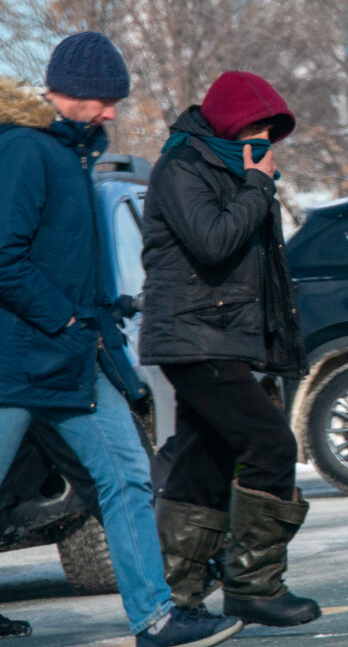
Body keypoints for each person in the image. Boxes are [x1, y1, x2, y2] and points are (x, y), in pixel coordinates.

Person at [0, 35, 242, 647]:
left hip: (73, 364)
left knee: (129, 478)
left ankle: (156, 618)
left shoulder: (73, 156)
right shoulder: (27, 151)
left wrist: (97, 336)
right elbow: (3, 256)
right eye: (105, 100)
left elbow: (79, 269)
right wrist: (64, 320)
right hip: (18, 364)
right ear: (70, 91)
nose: (112, 113)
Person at [141, 71, 320, 628]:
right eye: (259, 132)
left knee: (205, 460)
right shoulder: (183, 168)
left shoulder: (226, 169)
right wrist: (258, 187)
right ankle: (252, 586)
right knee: (269, 445)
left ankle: (179, 595)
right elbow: (214, 242)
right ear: (233, 126)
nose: (265, 146)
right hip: (195, 339)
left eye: (272, 136)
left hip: (216, 337)